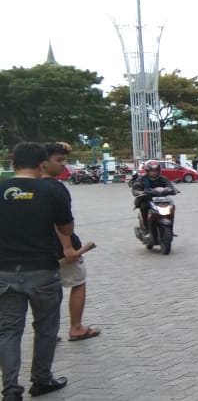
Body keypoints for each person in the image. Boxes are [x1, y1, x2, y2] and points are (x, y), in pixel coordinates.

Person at [0, 142, 77, 400]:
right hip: (42, 270)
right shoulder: (51, 190)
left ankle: (10, 389)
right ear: (42, 164)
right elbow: (66, 230)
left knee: (9, 330)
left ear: (12, 164)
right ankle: (41, 380)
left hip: (5, 271)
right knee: (45, 328)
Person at [41, 143, 100, 343]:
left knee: (47, 291)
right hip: (62, 249)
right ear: (43, 163)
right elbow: (60, 222)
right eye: (58, 160)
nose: (63, 165)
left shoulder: (28, 186)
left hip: (38, 250)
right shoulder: (55, 188)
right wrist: (67, 247)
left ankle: (47, 332)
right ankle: (76, 327)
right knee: (78, 282)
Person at [132, 160, 177, 233]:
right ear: (147, 171)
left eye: (156, 170)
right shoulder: (142, 179)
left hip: (162, 200)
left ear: (159, 171)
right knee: (144, 207)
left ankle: (171, 228)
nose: (154, 172)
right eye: (151, 171)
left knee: (172, 207)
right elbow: (135, 188)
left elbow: (170, 186)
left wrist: (173, 190)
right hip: (146, 199)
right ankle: (146, 228)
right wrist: (138, 191)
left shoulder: (163, 178)